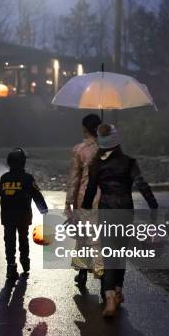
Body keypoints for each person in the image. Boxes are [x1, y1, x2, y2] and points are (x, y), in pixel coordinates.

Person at [82, 124, 158, 317]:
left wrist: (83, 210)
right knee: (120, 254)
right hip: (125, 211)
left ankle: (109, 300)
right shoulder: (129, 162)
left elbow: (90, 191)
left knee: (109, 255)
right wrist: (153, 205)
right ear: (117, 141)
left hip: (106, 211)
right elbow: (142, 184)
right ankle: (117, 291)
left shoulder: (96, 164)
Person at [0, 148, 48, 280]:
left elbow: (0, 193)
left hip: (7, 216)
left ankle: (10, 265)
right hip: (23, 216)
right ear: (23, 163)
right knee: (23, 239)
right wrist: (44, 210)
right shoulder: (27, 178)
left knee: (9, 240)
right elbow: (37, 195)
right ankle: (25, 262)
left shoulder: (4, 178)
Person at [65, 114, 101, 287]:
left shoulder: (79, 150)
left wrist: (69, 204)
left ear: (84, 128)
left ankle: (82, 272)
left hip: (84, 197)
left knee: (84, 237)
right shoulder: (108, 149)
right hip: (105, 197)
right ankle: (103, 276)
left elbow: (74, 179)